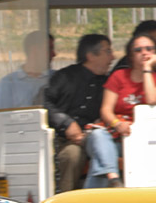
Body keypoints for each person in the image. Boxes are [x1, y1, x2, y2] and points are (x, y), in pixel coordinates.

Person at [84, 34, 156, 188]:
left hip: (138, 141)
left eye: (149, 49)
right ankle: (115, 179)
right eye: (138, 50)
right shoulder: (118, 76)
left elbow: (152, 100)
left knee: (99, 161)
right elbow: (106, 110)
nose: (144, 53)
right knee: (97, 136)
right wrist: (117, 124)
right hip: (112, 136)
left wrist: (147, 69)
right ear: (130, 55)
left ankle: (99, 191)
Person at [44, 33, 114, 193]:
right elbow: (43, 102)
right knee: (72, 154)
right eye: (108, 51)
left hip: (91, 137)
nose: (112, 57)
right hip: (59, 140)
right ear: (91, 55)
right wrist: (66, 123)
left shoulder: (107, 83)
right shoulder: (65, 77)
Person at [0, 31, 55, 109]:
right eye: (50, 48)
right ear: (35, 50)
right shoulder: (8, 83)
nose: (54, 54)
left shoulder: (57, 79)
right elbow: (0, 117)